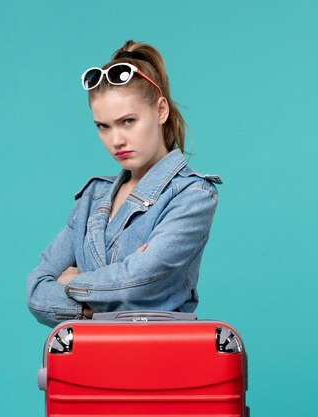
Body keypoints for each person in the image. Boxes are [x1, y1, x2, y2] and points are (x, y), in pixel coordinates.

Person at [26, 40, 221, 327]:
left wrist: (73, 282)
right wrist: (102, 305)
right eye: (103, 126)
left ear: (160, 111)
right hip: (89, 364)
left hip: (162, 361)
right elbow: (37, 293)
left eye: (128, 121)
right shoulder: (92, 198)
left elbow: (137, 282)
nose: (116, 140)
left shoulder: (193, 196)